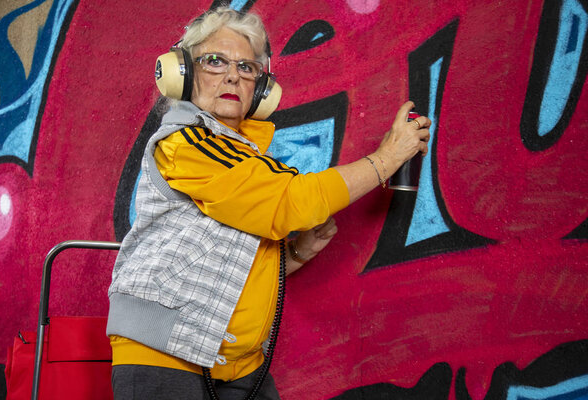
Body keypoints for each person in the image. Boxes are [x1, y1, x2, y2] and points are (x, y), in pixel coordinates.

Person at [106, 7, 430, 400]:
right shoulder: (186, 143)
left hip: (238, 363)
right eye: (214, 61)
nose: (232, 76)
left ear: (260, 89)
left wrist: (293, 253)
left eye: (247, 68)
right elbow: (289, 202)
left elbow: (227, 258)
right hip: (165, 355)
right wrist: (387, 159)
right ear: (183, 73)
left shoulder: (245, 158)